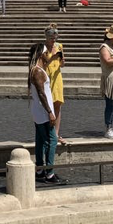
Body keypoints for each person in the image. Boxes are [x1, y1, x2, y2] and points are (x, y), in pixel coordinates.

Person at [28, 42, 66, 185]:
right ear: (41, 54)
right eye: (45, 53)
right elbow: (42, 94)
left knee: (40, 140)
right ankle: (49, 173)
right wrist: (50, 112)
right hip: (43, 111)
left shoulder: (36, 69)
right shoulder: (37, 71)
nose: (47, 55)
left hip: (38, 111)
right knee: (52, 140)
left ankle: (39, 170)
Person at [41, 24, 66, 143]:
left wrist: (62, 60)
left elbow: (62, 64)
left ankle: (56, 133)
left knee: (57, 105)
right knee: (47, 105)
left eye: (55, 38)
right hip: (47, 77)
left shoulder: (59, 46)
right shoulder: (43, 48)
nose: (53, 40)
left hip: (57, 77)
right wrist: (52, 57)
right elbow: (42, 65)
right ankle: (47, 132)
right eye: (51, 38)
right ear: (47, 37)